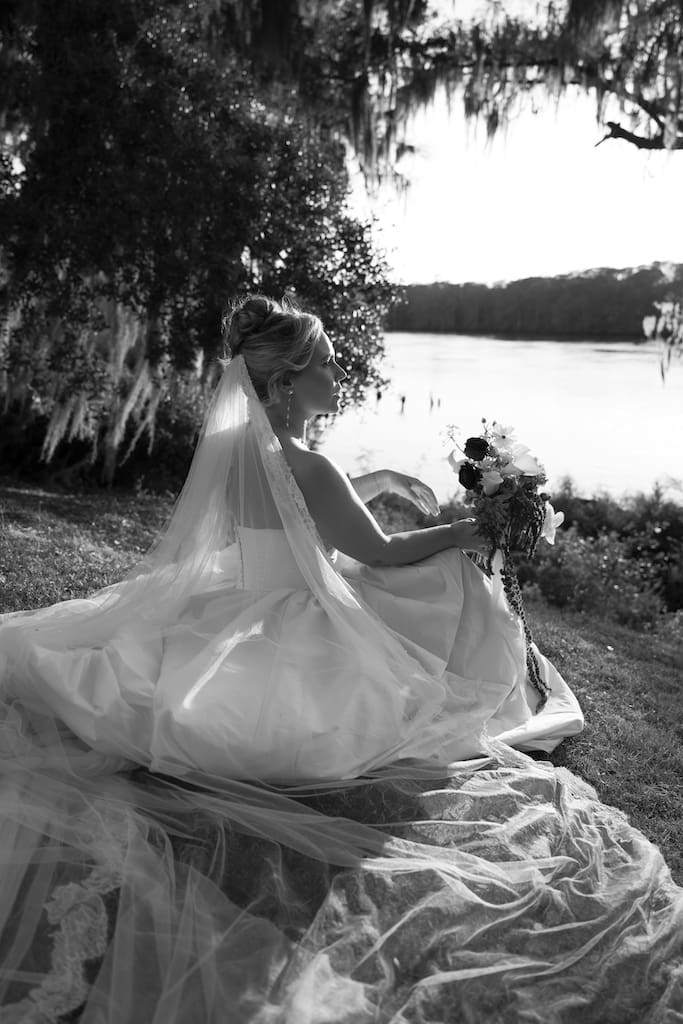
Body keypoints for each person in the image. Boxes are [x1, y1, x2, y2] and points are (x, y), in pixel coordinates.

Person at [0, 295, 681, 1022]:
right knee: (449, 572)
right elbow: (377, 549)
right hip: (296, 613)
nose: (338, 373)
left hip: (233, 600)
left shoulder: (236, 449)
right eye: (326, 363)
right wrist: (463, 530)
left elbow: (298, 517)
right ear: (288, 382)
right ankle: (487, 666)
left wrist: (382, 480)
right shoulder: (310, 461)